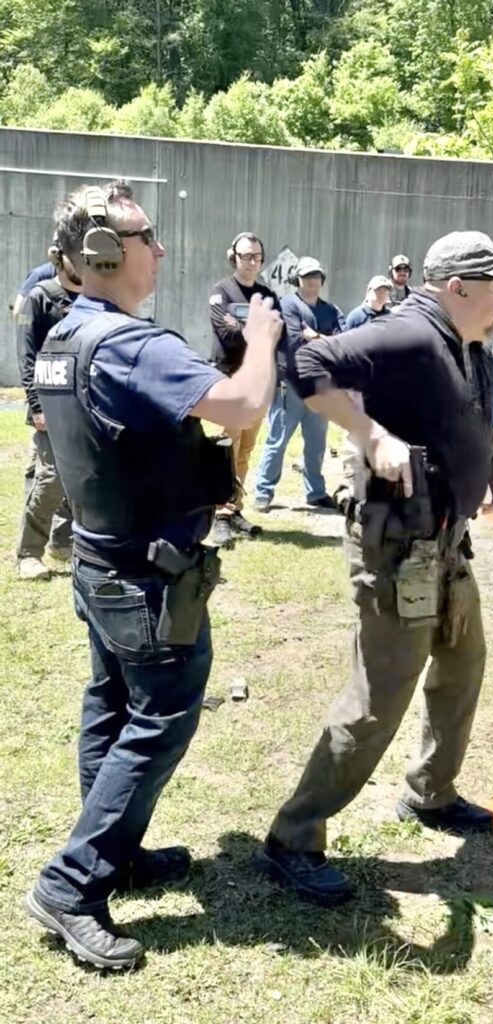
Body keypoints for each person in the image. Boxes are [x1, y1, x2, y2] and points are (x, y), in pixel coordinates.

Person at [24, 180, 282, 970]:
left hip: (104, 562)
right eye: (146, 237)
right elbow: (238, 407)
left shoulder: (65, 337)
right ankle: (73, 883)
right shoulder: (131, 344)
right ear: (104, 254)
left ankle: (117, 855)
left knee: (110, 705)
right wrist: (264, 336)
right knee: (163, 713)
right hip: (145, 573)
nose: (160, 249)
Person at [255, 230, 493, 905]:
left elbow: (472, 416)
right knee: (381, 693)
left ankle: (430, 793)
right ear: (456, 286)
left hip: (446, 542)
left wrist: (491, 458)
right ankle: (293, 837)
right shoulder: (407, 333)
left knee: (463, 663)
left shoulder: (472, 346)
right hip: (398, 545)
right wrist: (368, 433)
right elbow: (305, 362)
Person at [253, 257, 345, 512]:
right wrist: (328, 341)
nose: (312, 280)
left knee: (316, 443)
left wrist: (316, 337)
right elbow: (295, 341)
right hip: (290, 383)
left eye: (316, 275)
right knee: (277, 439)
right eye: (307, 276)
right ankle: (263, 491)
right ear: (298, 279)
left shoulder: (330, 309)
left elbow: (343, 343)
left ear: (322, 279)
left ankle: (315, 492)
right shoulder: (287, 305)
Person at [207, 231, 280, 547]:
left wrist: (251, 330)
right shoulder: (220, 291)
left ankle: (234, 507)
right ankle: (219, 513)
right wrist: (256, 330)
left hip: (259, 381)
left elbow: (277, 335)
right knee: (226, 448)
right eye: (246, 256)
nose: (252, 262)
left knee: (246, 448)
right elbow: (226, 335)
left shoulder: (267, 294)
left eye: (257, 256)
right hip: (230, 379)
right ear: (233, 257)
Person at [15, 238, 80, 579]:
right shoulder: (38, 297)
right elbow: (26, 357)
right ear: (59, 257)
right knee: (51, 478)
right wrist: (37, 405)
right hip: (48, 406)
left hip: (81, 406)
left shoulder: (91, 300)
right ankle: (28, 552)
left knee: (77, 477)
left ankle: (63, 540)